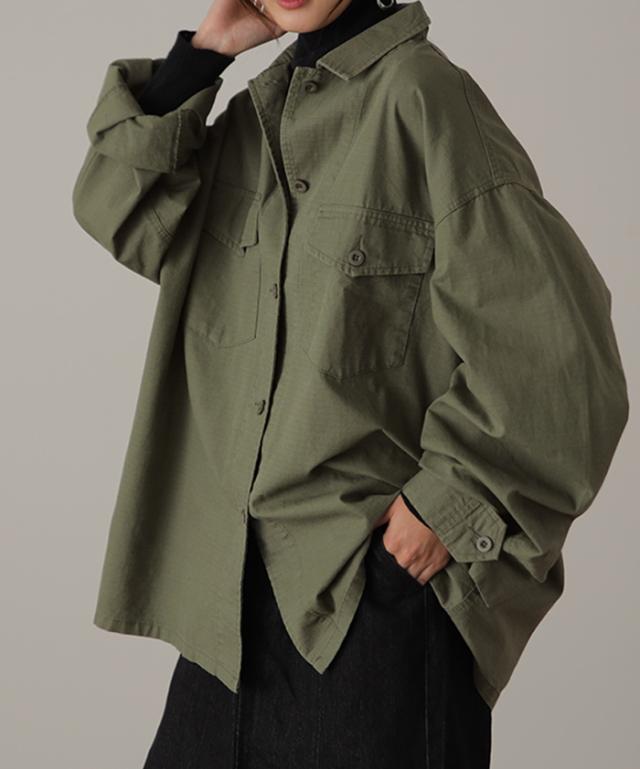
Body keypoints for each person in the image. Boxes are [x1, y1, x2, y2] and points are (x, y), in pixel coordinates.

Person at [71, 0, 629, 767]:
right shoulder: (254, 116)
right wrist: (206, 52)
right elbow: (118, 209)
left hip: (362, 613)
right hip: (224, 619)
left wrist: (444, 509)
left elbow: (563, 358)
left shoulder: (426, 98)